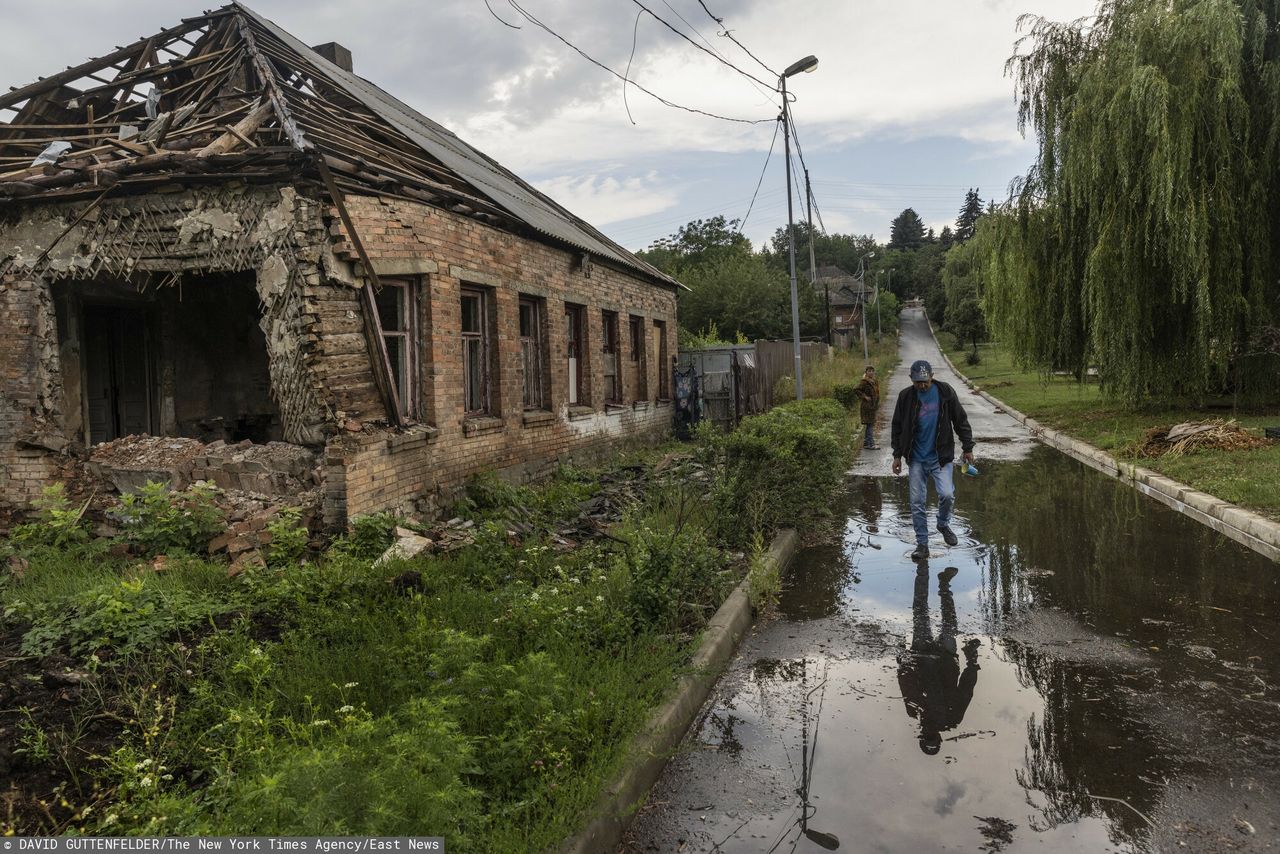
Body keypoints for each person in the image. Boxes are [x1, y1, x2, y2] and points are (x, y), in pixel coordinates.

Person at [890, 359, 975, 561]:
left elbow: (960, 419)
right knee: (917, 502)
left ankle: (943, 524)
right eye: (918, 382)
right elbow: (897, 427)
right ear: (911, 379)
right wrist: (897, 455)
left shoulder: (945, 392)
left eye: (925, 381)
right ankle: (922, 544)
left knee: (947, 495)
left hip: (941, 456)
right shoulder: (905, 397)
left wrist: (967, 447)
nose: (922, 385)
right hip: (916, 458)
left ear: (932, 376)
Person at [897, 563, 981, 755]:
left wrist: (902, 660)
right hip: (947, 659)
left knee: (920, 612)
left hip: (921, 654)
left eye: (926, 737)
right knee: (949, 625)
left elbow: (906, 682)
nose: (929, 733)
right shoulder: (953, 718)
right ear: (939, 738)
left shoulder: (915, 710)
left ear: (921, 735)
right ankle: (944, 585)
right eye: (933, 738)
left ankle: (922, 570)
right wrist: (972, 664)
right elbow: (966, 691)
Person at [854, 365, 880, 450]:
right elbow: (856, 389)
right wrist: (864, 396)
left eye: (872, 371)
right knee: (870, 425)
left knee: (870, 424)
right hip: (867, 406)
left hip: (873, 406)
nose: (871, 372)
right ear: (866, 372)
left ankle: (866, 443)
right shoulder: (864, 381)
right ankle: (871, 444)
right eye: (869, 371)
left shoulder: (874, 381)